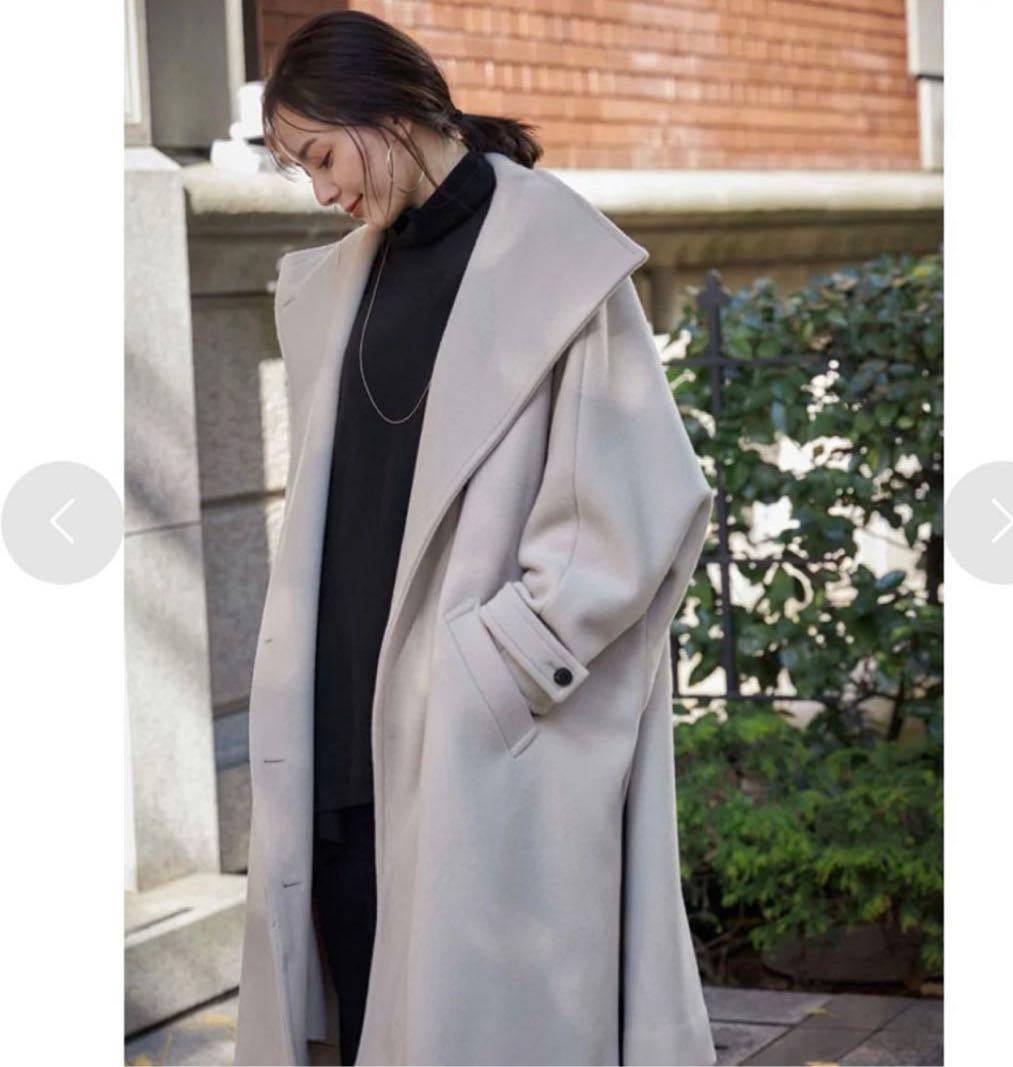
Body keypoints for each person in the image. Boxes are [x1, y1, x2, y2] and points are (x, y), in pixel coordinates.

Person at [234, 9, 716, 1067]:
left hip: (473, 732)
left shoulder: (556, 260)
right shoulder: (335, 285)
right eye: (297, 169)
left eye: (322, 156)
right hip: (337, 720)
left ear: (392, 111)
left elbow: (639, 503)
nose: (320, 192)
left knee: (472, 1024)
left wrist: (497, 669)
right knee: (356, 1004)